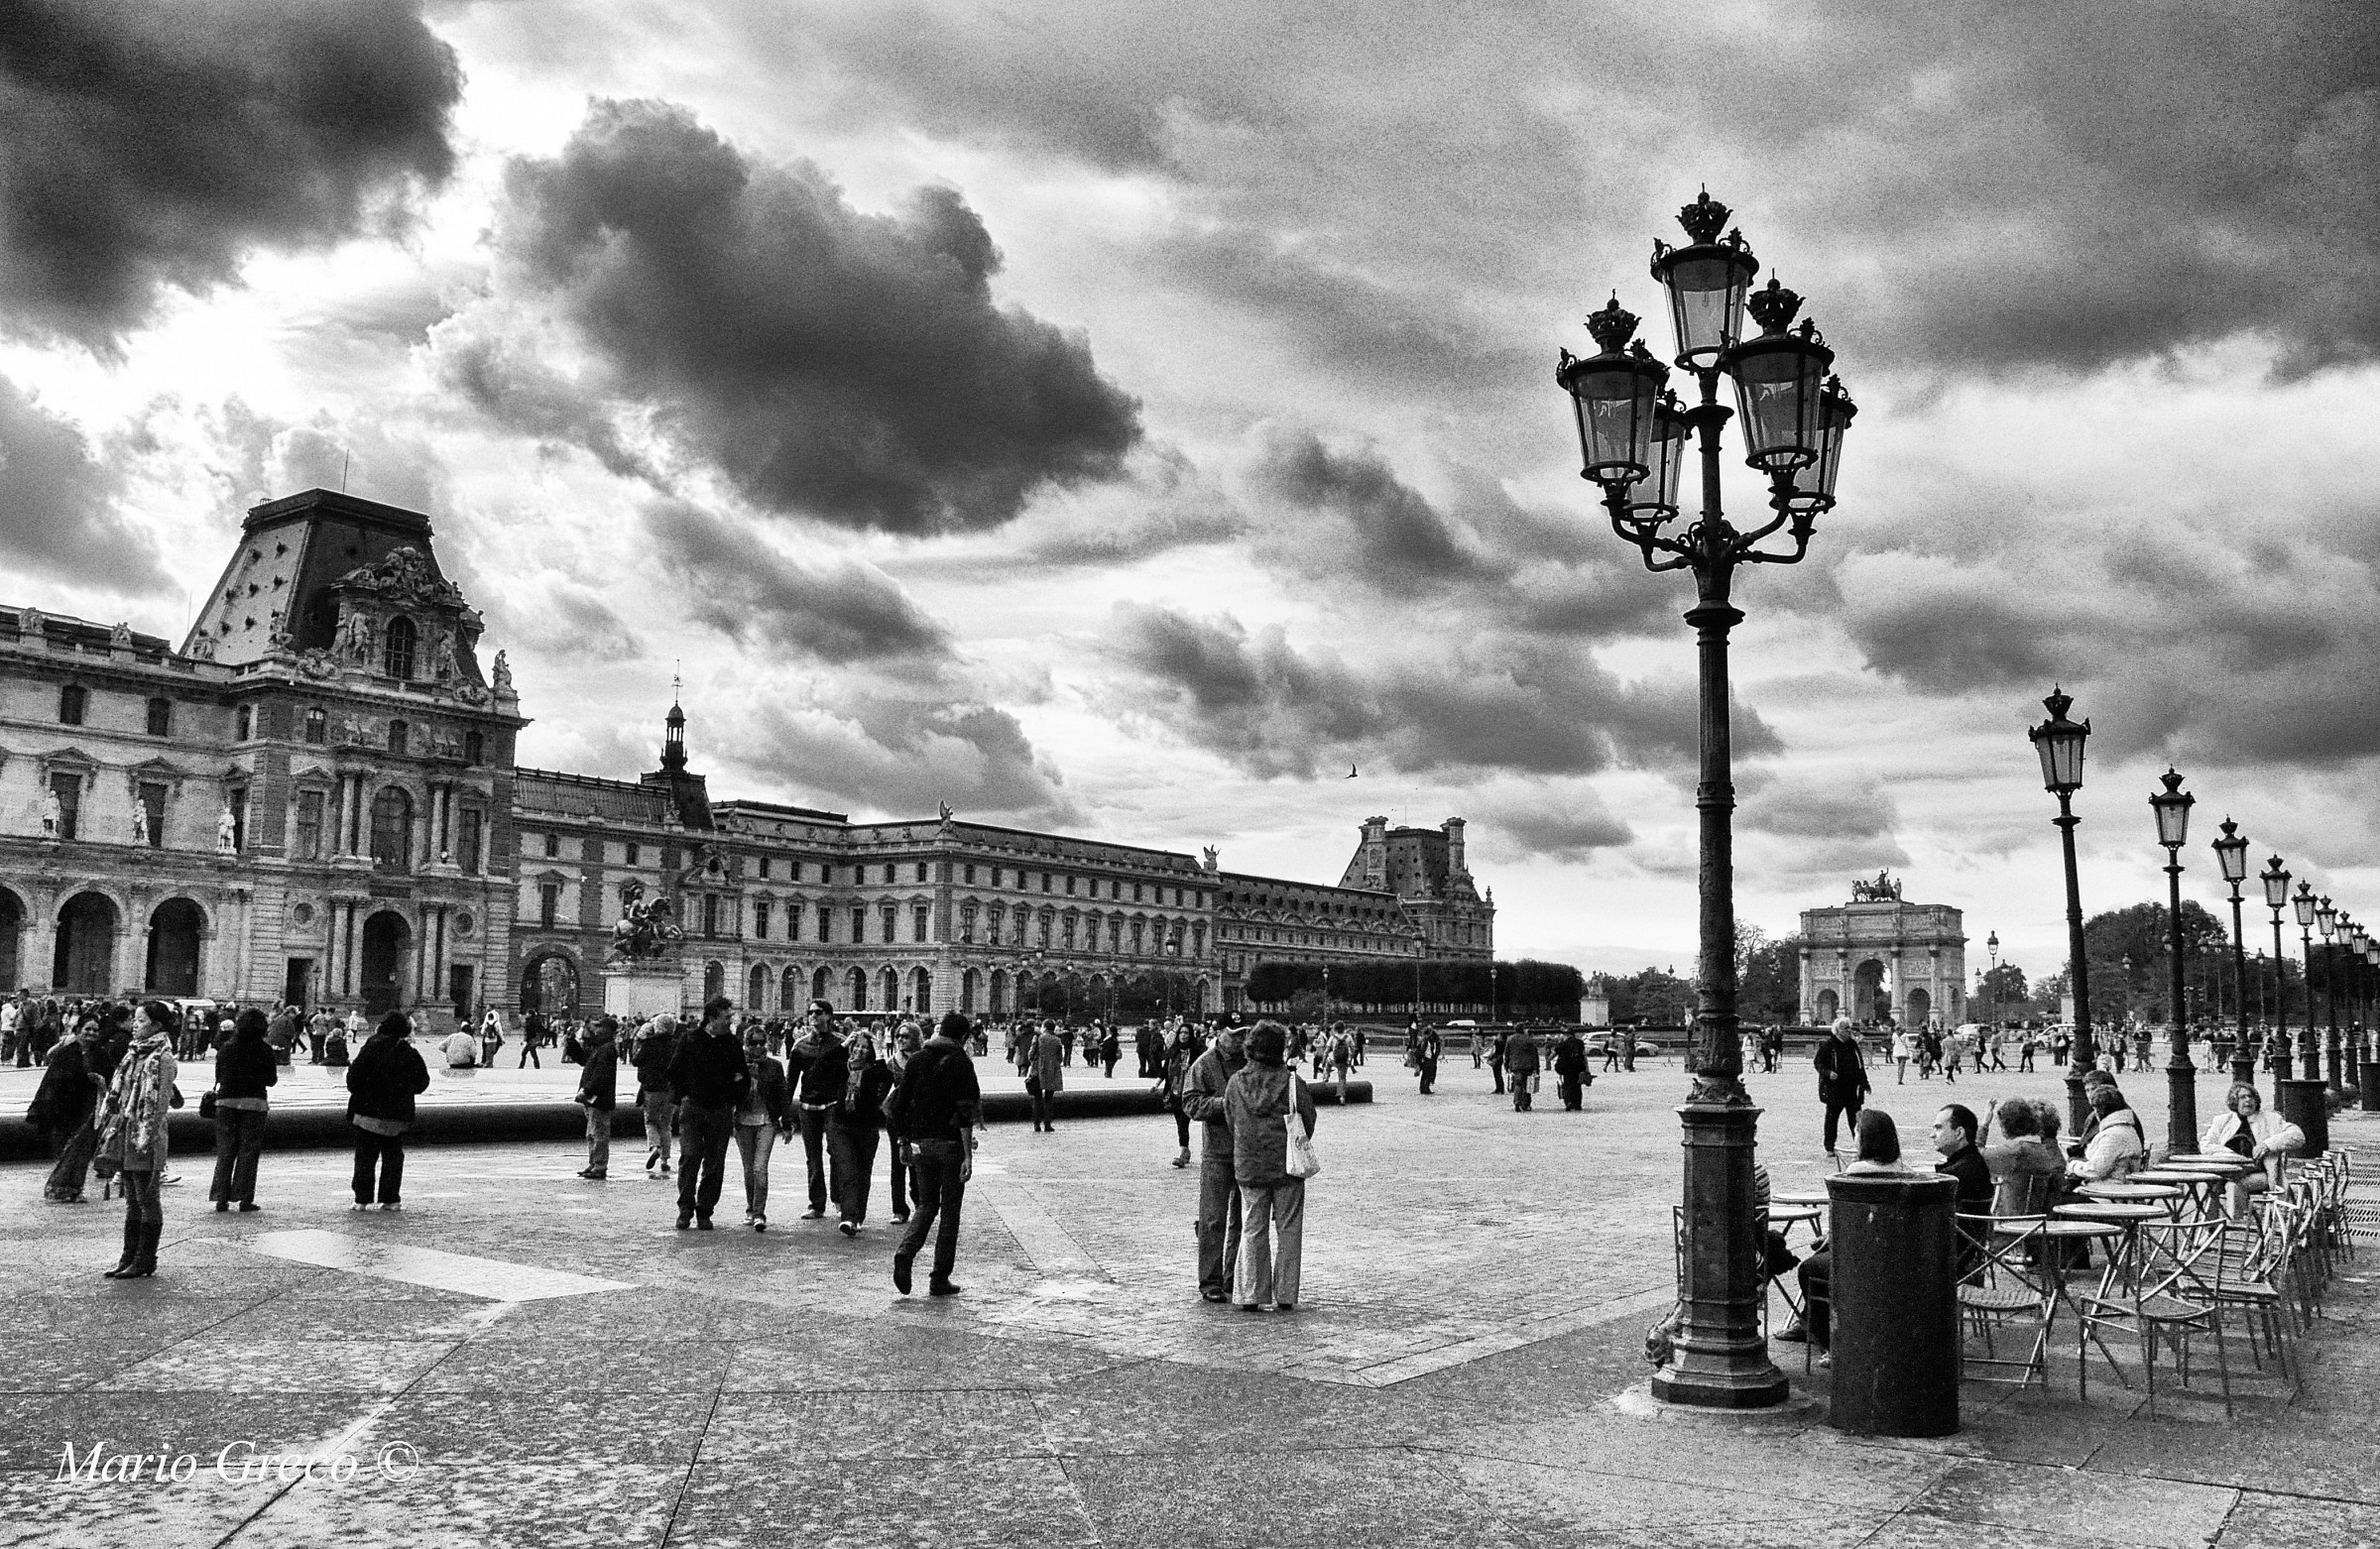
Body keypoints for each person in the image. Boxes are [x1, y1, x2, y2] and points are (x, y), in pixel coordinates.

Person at [1786, 1110, 1910, 1358]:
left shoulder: (1857, 1170)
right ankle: (1813, 1325)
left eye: (1856, 1133)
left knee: (1809, 1269)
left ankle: (1828, 1341)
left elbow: (1846, 1219)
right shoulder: (1906, 1170)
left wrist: (1828, 1239)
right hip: (1895, 1254)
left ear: (1864, 1138)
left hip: (1861, 1256)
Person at [1224, 1021, 1317, 1312]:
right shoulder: (1292, 1082)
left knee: (1252, 1228)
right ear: (1280, 1049)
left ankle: (1251, 1293)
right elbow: (1308, 1119)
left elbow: (1231, 1120)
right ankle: (1286, 1293)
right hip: (1287, 1166)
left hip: (1249, 1165)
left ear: (1250, 1047)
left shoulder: (1236, 1082)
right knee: (1289, 1229)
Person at [886, 1013, 982, 1296]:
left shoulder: (917, 1060)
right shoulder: (961, 1062)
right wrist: (968, 1154)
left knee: (926, 1204)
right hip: (950, 1145)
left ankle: (906, 1252)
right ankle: (939, 1277)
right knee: (950, 1211)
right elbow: (965, 1112)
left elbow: (898, 1106)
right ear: (963, 1036)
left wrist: (903, 1141)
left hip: (921, 1145)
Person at [94, 1003, 180, 1278]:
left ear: (156, 1025)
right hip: (127, 1132)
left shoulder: (163, 1059)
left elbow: (159, 1105)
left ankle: (145, 1258)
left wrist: (146, 1136)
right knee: (132, 1200)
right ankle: (128, 1256)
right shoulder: (133, 1054)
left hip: (146, 1135)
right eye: (135, 1019)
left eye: (141, 1020)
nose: (134, 1024)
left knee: (147, 1199)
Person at [667, 996, 749, 1231]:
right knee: (690, 1157)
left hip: (720, 1109)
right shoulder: (690, 1039)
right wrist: (682, 1097)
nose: (730, 1021)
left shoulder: (732, 1043)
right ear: (712, 1018)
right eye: (727, 1017)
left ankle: (705, 1210)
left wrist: (732, 1099)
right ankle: (685, 1208)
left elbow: (742, 1075)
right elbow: (673, 1071)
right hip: (693, 1107)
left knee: (715, 1162)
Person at [1180, 1018, 1248, 1302]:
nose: (1240, 1040)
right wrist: (1223, 1104)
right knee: (1212, 1219)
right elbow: (1190, 1103)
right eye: (1234, 1035)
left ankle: (1232, 1276)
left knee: (1243, 1220)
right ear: (1219, 1034)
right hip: (1217, 1152)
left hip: (1247, 1151)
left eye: (1243, 1034)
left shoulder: (1251, 1062)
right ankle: (1210, 1281)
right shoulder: (1204, 1064)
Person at [346, 1012, 429, 1211]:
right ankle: (391, 1199)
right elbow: (422, 1082)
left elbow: (352, 1079)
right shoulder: (408, 1052)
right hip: (396, 1115)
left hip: (366, 1113)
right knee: (393, 1158)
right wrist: (404, 1091)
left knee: (365, 1157)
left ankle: (361, 1200)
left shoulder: (369, 1049)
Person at [208, 1007, 278, 1213]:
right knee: (248, 1152)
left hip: (226, 1103)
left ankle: (221, 1198)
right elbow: (271, 1080)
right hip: (254, 1104)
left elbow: (219, 1076)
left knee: (225, 1152)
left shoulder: (227, 1047)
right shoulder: (264, 1050)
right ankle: (244, 1198)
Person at [2202, 1082, 2304, 1218]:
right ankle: (2210, 1225)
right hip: (2226, 1171)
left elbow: (2297, 1136)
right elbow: (2206, 1144)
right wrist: (2229, 1154)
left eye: (2251, 1096)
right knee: (2205, 1185)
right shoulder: (2222, 1121)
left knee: (2234, 1186)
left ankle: (2236, 1222)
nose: (2248, 1100)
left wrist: (2268, 1144)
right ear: (2234, 1101)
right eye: (2242, 1097)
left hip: (2260, 1173)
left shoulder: (2271, 1119)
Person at [829, 1030, 896, 1235]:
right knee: (848, 1170)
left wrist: (879, 1051)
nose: (859, 1050)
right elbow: (822, 1066)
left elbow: (887, 1076)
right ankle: (848, 1218)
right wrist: (843, 1045)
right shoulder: (842, 1067)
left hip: (866, 1127)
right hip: (841, 1126)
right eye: (856, 1045)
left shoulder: (874, 1071)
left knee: (863, 1172)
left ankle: (858, 1216)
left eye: (864, 1047)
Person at [34, 1018, 106, 1203]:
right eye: (88, 1029)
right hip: (65, 1109)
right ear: (78, 1030)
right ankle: (58, 1188)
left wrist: (100, 1081)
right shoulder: (66, 1052)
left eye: (95, 1030)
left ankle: (75, 1189)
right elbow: (54, 1081)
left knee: (83, 1151)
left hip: (89, 1108)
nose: (92, 1033)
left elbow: (111, 1075)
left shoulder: (100, 1053)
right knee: (68, 1149)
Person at [786, 1001, 847, 1219]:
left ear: (829, 1016)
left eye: (818, 1012)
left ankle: (838, 1198)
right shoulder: (800, 1046)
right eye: (810, 1012)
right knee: (812, 1156)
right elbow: (790, 1081)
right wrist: (785, 1114)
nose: (813, 1016)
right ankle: (816, 1203)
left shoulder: (841, 1044)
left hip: (832, 1103)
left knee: (835, 1151)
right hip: (808, 1104)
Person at [733, 1024, 792, 1230]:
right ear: (746, 1044)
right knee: (749, 1169)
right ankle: (750, 1209)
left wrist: (786, 1123)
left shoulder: (774, 1066)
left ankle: (759, 1213)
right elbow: (729, 1093)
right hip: (742, 1121)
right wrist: (741, 1079)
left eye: (761, 1043)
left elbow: (783, 1095)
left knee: (760, 1168)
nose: (758, 1047)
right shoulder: (738, 1064)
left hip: (766, 1121)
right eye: (753, 1043)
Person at [1978, 1099, 2066, 1218]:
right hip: (2037, 1220)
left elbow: (1974, 1157)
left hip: (2010, 1221)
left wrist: (1984, 1124)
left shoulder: (2015, 1150)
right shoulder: (2039, 1148)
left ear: (2006, 1127)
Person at [1813, 1017, 1869, 1154]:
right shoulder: (1828, 1045)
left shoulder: (1852, 1044)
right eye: (1846, 1028)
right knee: (1832, 1119)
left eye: (1850, 1028)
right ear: (1838, 1030)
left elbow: (1860, 1065)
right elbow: (1818, 1063)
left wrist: (1865, 1082)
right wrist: (1828, 1073)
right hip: (1835, 1088)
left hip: (1852, 1088)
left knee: (1856, 1120)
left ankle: (1861, 1147)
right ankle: (1829, 1146)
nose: (1849, 1030)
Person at [2068, 1084, 2144, 1182]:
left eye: (2095, 1109)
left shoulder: (2113, 1135)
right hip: (2114, 1185)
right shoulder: (2125, 1128)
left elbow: (2095, 1171)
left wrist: (2072, 1165)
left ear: (2100, 1110)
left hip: (2108, 1187)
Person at [634, 1015, 679, 1177]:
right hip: (670, 1089)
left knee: (651, 1121)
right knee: (666, 1124)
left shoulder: (649, 1043)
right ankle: (665, 1160)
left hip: (651, 1088)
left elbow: (636, 1061)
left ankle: (655, 1147)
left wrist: (640, 1039)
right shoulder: (676, 1045)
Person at [574, 1016, 620, 1178]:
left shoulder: (606, 1049)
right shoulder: (601, 1047)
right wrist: (572, 1043)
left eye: (600, 1027)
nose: (597, 1030)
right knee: (592, 1133)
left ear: (608, 1030)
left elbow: (601, 1075)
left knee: (599, 1133)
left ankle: (599, 1166)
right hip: (594, 1097)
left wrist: (587, 1090)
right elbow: (583, 1060)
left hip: (599, 1098)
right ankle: (594, 1163)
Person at [1159, 1021, 1203, 1167]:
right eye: (1181, 1033)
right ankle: (1185, 1149)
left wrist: (1189, 1068)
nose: (1183, 1035)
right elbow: (1165, 1070)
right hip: (1174, 1091)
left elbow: (1201, 1070)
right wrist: (1156, 1085)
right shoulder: (1174, 1051)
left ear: (1190, 1035)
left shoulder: (1196, 1052)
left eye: (1186, 1033)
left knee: (1183, 1122)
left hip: (1189, 1092)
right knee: (1180, 1123)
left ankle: (1183, 1152)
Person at [1029, 1019, 1065, 1132]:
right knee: (1049, 1099)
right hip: (1052, 1071)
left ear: (1044, 1027)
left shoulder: (1038, 1038)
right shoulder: (1057, 1040)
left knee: (1037, 1098)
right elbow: (1060, 1058)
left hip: (1038, 1070)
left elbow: (1031, 1055)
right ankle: (1047, 1124)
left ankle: (1036, 1124)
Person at [1503, 1026, 1540, 1112]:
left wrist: (1506, 1065)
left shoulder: (1510, 1039)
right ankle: (1526, 1104)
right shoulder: (1529, 1039)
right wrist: (1536, 1067)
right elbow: (1534, 1055)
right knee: (1528, 1085)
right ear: (1523, 1030)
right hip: (1528, 1065)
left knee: (1518, 1084)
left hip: (1515, 1065)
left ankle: (1517, 1101)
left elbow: (1507, 1054)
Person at [1553, 1027, 1589, 1111]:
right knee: (1577, 1086)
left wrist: (1548, 1060)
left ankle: (1569, 1102)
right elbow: (1584, 1056)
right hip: (1578, 1067)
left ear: (1566, 1035)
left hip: (1566, 1069)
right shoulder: (1580, 1043)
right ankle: (1577, 1104)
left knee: (1567, 1085)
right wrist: (1587, 1069)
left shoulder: (1563, 1044)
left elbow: (1554, 1054)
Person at [1414, 1022, 1442, 1096]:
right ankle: (1424, 1088)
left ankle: (1426, 1088)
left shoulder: (1431, 1040)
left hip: (1430, 1059)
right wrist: (1420, 1060)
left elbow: (1436, 1048)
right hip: (1426, 1059)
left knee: (1428, 1074)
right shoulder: (1424, 1041)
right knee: (1426, 1074)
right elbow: (1420, 1051)